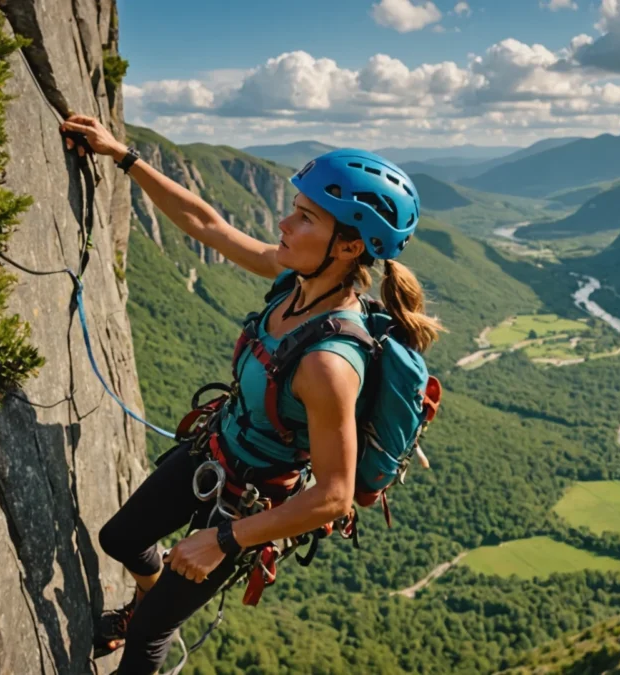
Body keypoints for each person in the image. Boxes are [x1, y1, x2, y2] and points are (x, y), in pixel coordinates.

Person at [59, 114, 442, 674]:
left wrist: (224, 540)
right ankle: (149, 593)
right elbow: (208, 225)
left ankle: (147, 612)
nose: (284, 223)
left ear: (348, 245)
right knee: (120, 537)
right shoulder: (294, 281)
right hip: (213, 451)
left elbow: (334, 497)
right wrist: (123, 155)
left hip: (248, 503)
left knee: (151, 631)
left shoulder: (329, 362)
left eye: (305, 217)